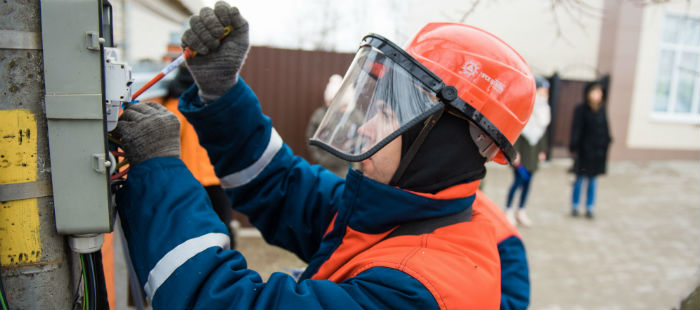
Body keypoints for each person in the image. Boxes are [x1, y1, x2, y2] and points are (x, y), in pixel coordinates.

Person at [113, 2, 534, 309]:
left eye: (385, 116)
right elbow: (280, 186)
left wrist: (159, 172)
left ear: (443, 144)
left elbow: (222, 302)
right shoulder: (396, 211)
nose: (365, 128)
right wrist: (221, 91)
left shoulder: (421, 288)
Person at [156, 67, 236, 247]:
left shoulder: (173, 106)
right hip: (213, 176)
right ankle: (227, 261)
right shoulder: (211, 104)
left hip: (190, 178)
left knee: (192, 229)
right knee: (222, 226)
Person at [505, 76, 551, 227]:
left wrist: (543, 150)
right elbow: (517, 129)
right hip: (522, 151)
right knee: (518, 180)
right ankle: (509, 209)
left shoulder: (544, 109)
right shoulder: (526, 106)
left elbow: (543, 131)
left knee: (528, 182)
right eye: (542, 90)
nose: (545, 93)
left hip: (534, 151)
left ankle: (521, 210)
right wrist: (515, 151)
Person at [569, 81, 612, 219]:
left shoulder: (602, 110)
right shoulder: (581, 109)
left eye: (600, 92)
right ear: (588, 93)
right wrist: (575, 147)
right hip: (584, 152)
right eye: (595, 91)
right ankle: (575, 206)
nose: (598, 95)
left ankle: (590, 207)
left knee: (593, 181)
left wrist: (606, 143)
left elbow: (605, 130)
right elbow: (576, 130)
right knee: (579, 179)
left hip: (597, 153)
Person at [305, 74, 351, 177]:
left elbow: (357, 140)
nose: (331, 104)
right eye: (329, 100)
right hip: (325, 168)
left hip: (345, 169)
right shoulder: (319, 115)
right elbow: (310, 137)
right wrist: (319, 158)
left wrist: (355, 164)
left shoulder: (349, 116)